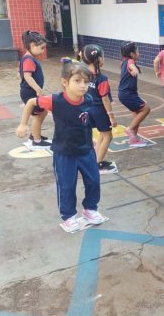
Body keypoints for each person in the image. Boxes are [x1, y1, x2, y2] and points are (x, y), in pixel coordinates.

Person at [16, 60, 108, 233]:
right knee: (66, 186)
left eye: (86, 82)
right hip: (65, 154)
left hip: (86, 150)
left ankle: (90, 209)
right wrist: (22, 124)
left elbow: (85, 120)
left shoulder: (88, 99)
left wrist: (91, 137)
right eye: (77, 81)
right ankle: (68, 217)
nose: (83, 86)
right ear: (65, 83)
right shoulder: (55, 101)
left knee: (94, 181)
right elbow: (30, 102)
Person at [82, 44, 118, 174]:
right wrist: (111, 116)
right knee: (107, 136)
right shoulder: (101, 78)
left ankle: (96, 160)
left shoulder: (84, 74)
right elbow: (104, 98)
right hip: (100, 111)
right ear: (99, 59)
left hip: (89, 108)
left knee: (102, 136)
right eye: (102, 56)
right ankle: (98, 164)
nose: (104, 58)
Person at [18, 30, 51, 149]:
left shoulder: (30, 58)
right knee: (39, 114)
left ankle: (35, 135)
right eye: (42, 48)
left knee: (43, 112)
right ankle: (36, 140)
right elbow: (27, 76)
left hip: (30, 92)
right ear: (32, 46)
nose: (43, 51)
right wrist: (38, 89)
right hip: (30, 92)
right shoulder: (28, 59)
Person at [118, 41, 151, 147]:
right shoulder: (130, 61)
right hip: (127, 94)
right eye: (137, 51)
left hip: (127, 94)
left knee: (137, 114)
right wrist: (135, 70)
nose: (139, 52)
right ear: (132, 54)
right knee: (146, 109)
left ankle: (133, 139)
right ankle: (130, 129)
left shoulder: (124, 61)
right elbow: (131, 66)